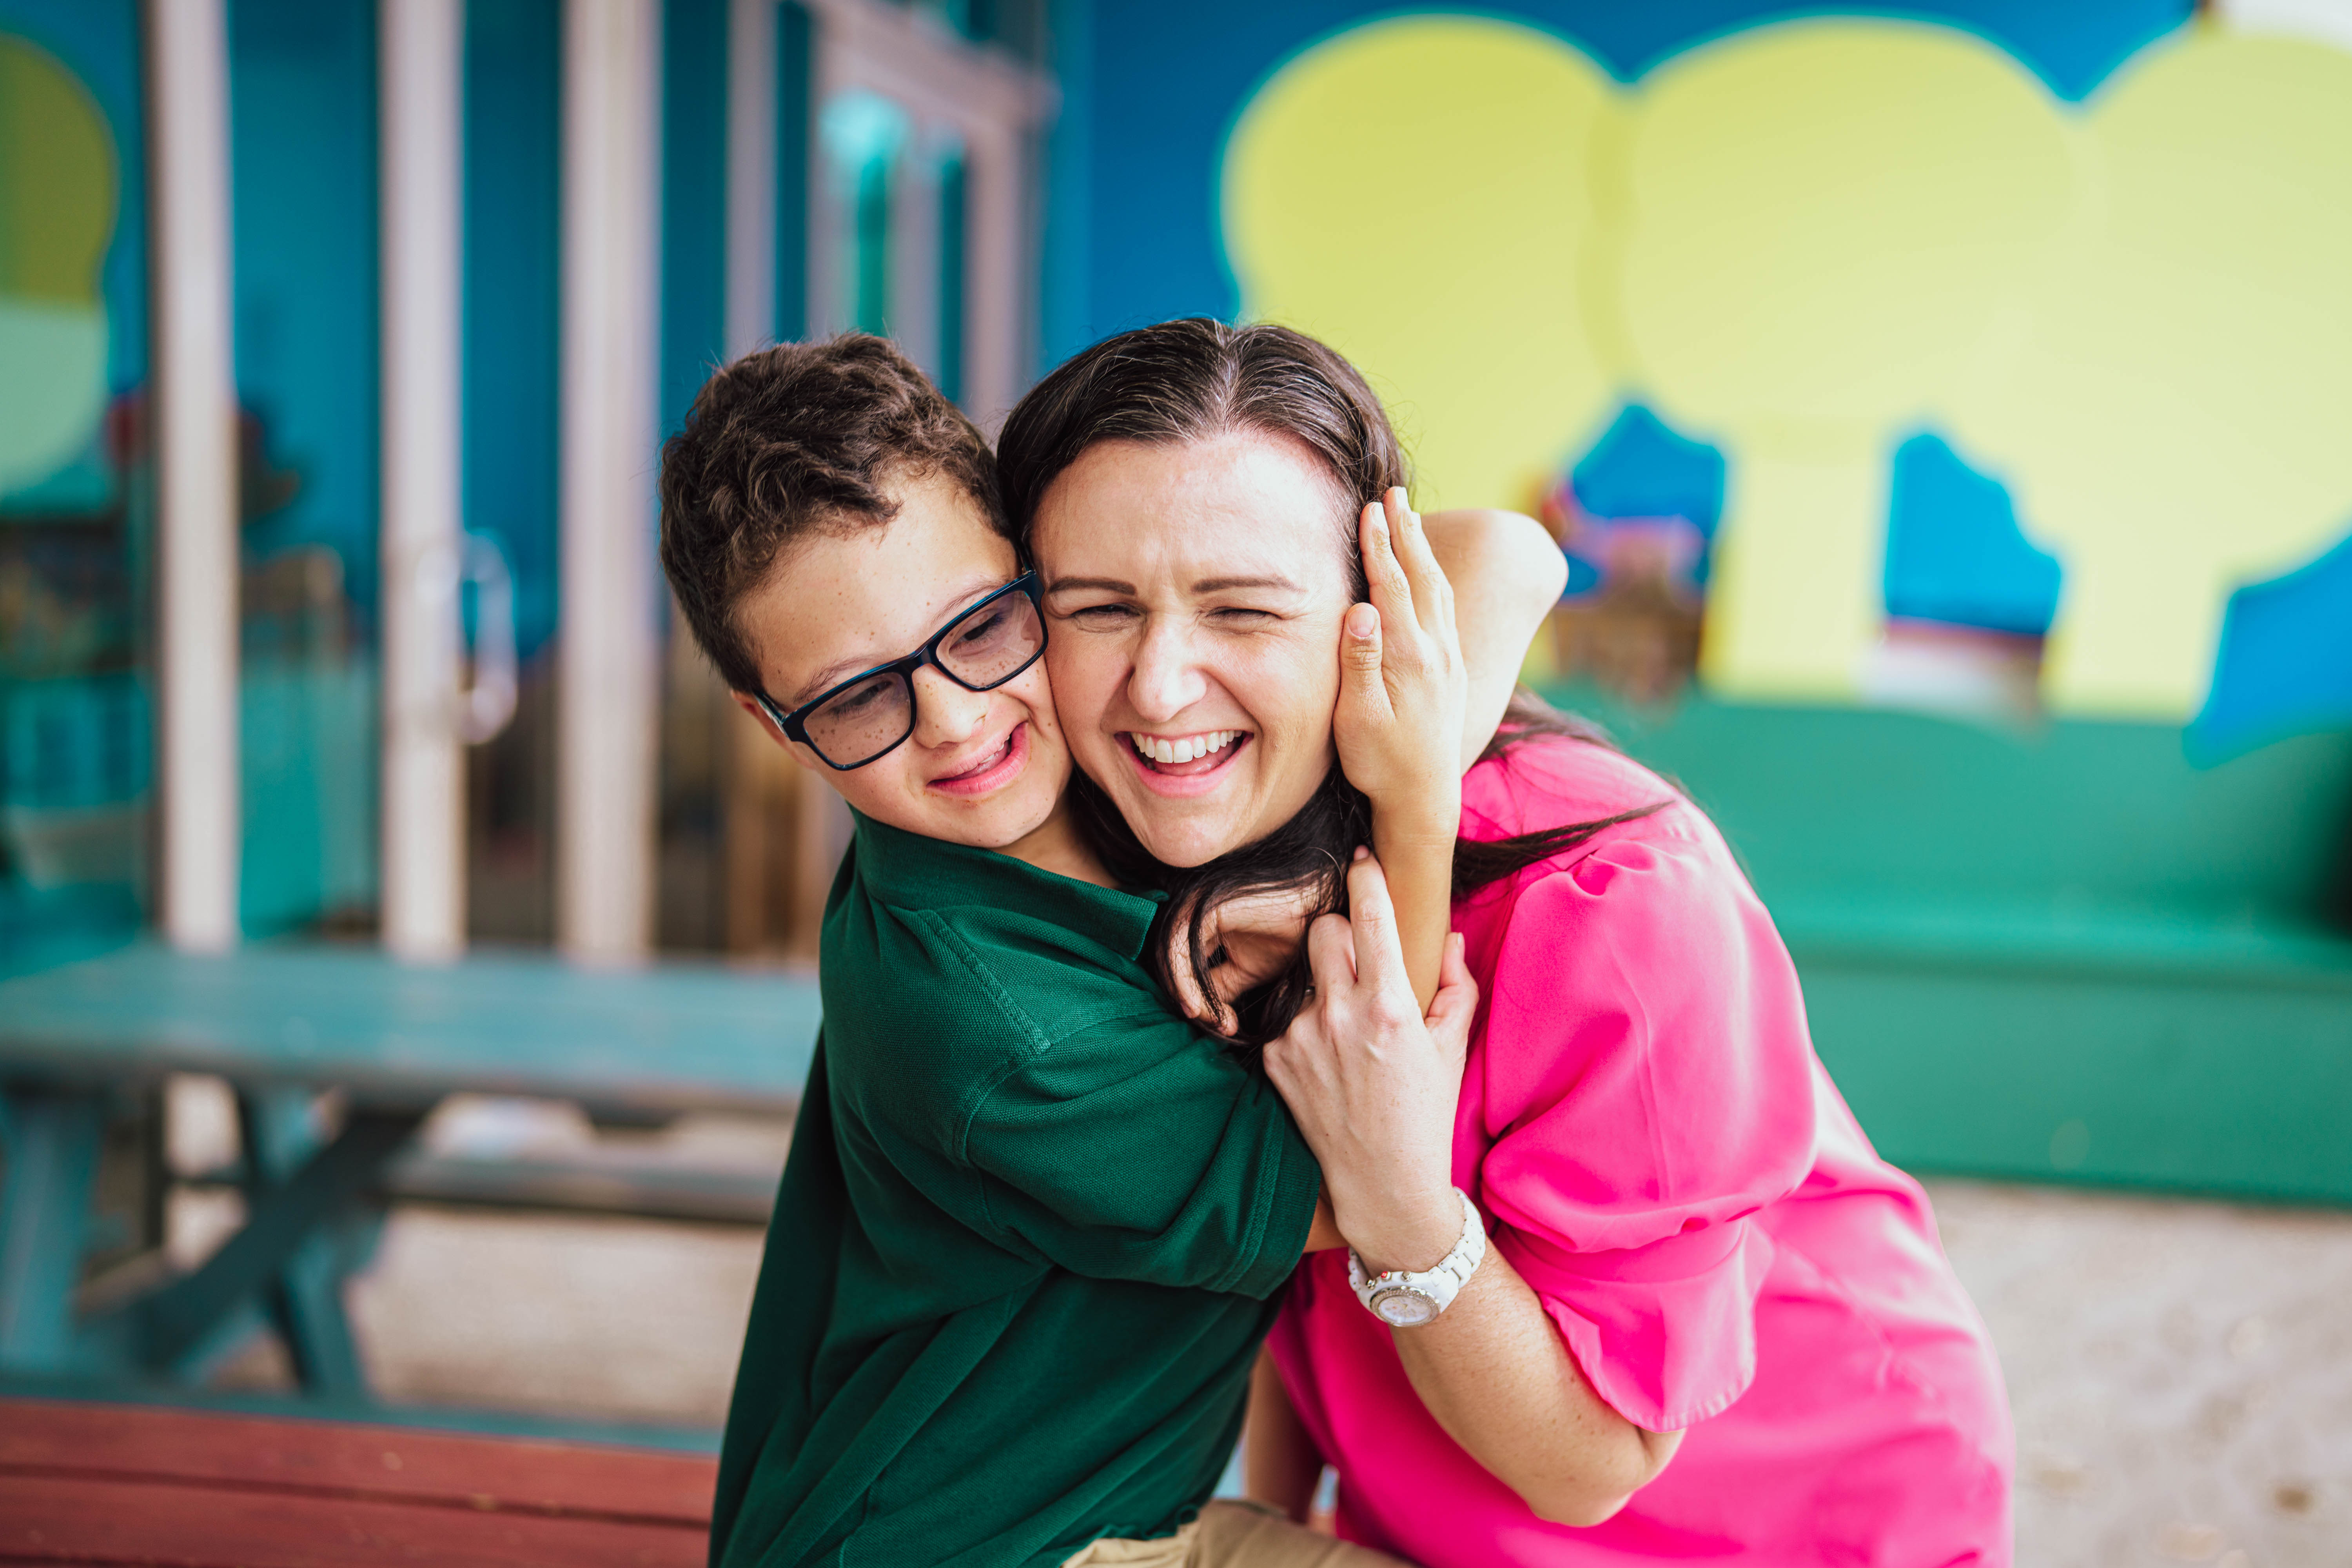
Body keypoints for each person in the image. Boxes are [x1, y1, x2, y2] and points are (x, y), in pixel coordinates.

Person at [995, 317, 2016, 1563]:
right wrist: (1286, 1507)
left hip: (1791, 1507)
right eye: (1099, 608)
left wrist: (1399, 1200)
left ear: (1375, 612)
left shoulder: (1616, 902)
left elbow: (1594, 1468)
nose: (1160, 687)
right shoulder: (1136, 823)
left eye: (1244, 611)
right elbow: (1271, 1269)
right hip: (1428, 1501)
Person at [656, 333, 1564, 1568]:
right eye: (859, 699)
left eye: (979, 627)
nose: (958, 723)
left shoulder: (1111, 757)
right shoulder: (986, 1029)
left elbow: (1507, 556)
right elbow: (1359, 1161)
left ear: (1034, 564)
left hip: (1101, 1516)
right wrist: (1407, 803)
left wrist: (1311, 866)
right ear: (777, 728)